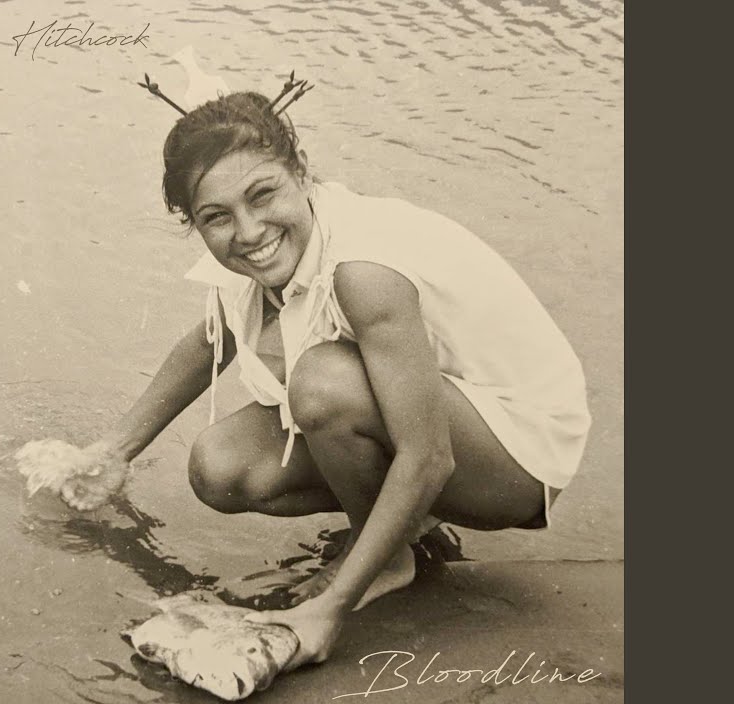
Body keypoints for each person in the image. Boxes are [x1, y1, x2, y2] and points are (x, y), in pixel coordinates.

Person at [77, 82, 591, 670]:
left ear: (300, 170)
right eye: (217, 217)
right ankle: (399, 526)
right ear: (194, 222)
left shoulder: (362, 267)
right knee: (219, 467)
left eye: (262, 195)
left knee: (321, 384)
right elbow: (211, 339)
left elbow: (428, 456)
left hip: (520, 458)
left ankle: (387, 559)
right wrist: (111, 452)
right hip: (445, 419)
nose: (249, 231)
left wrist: (331, 610)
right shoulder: (280, 244)